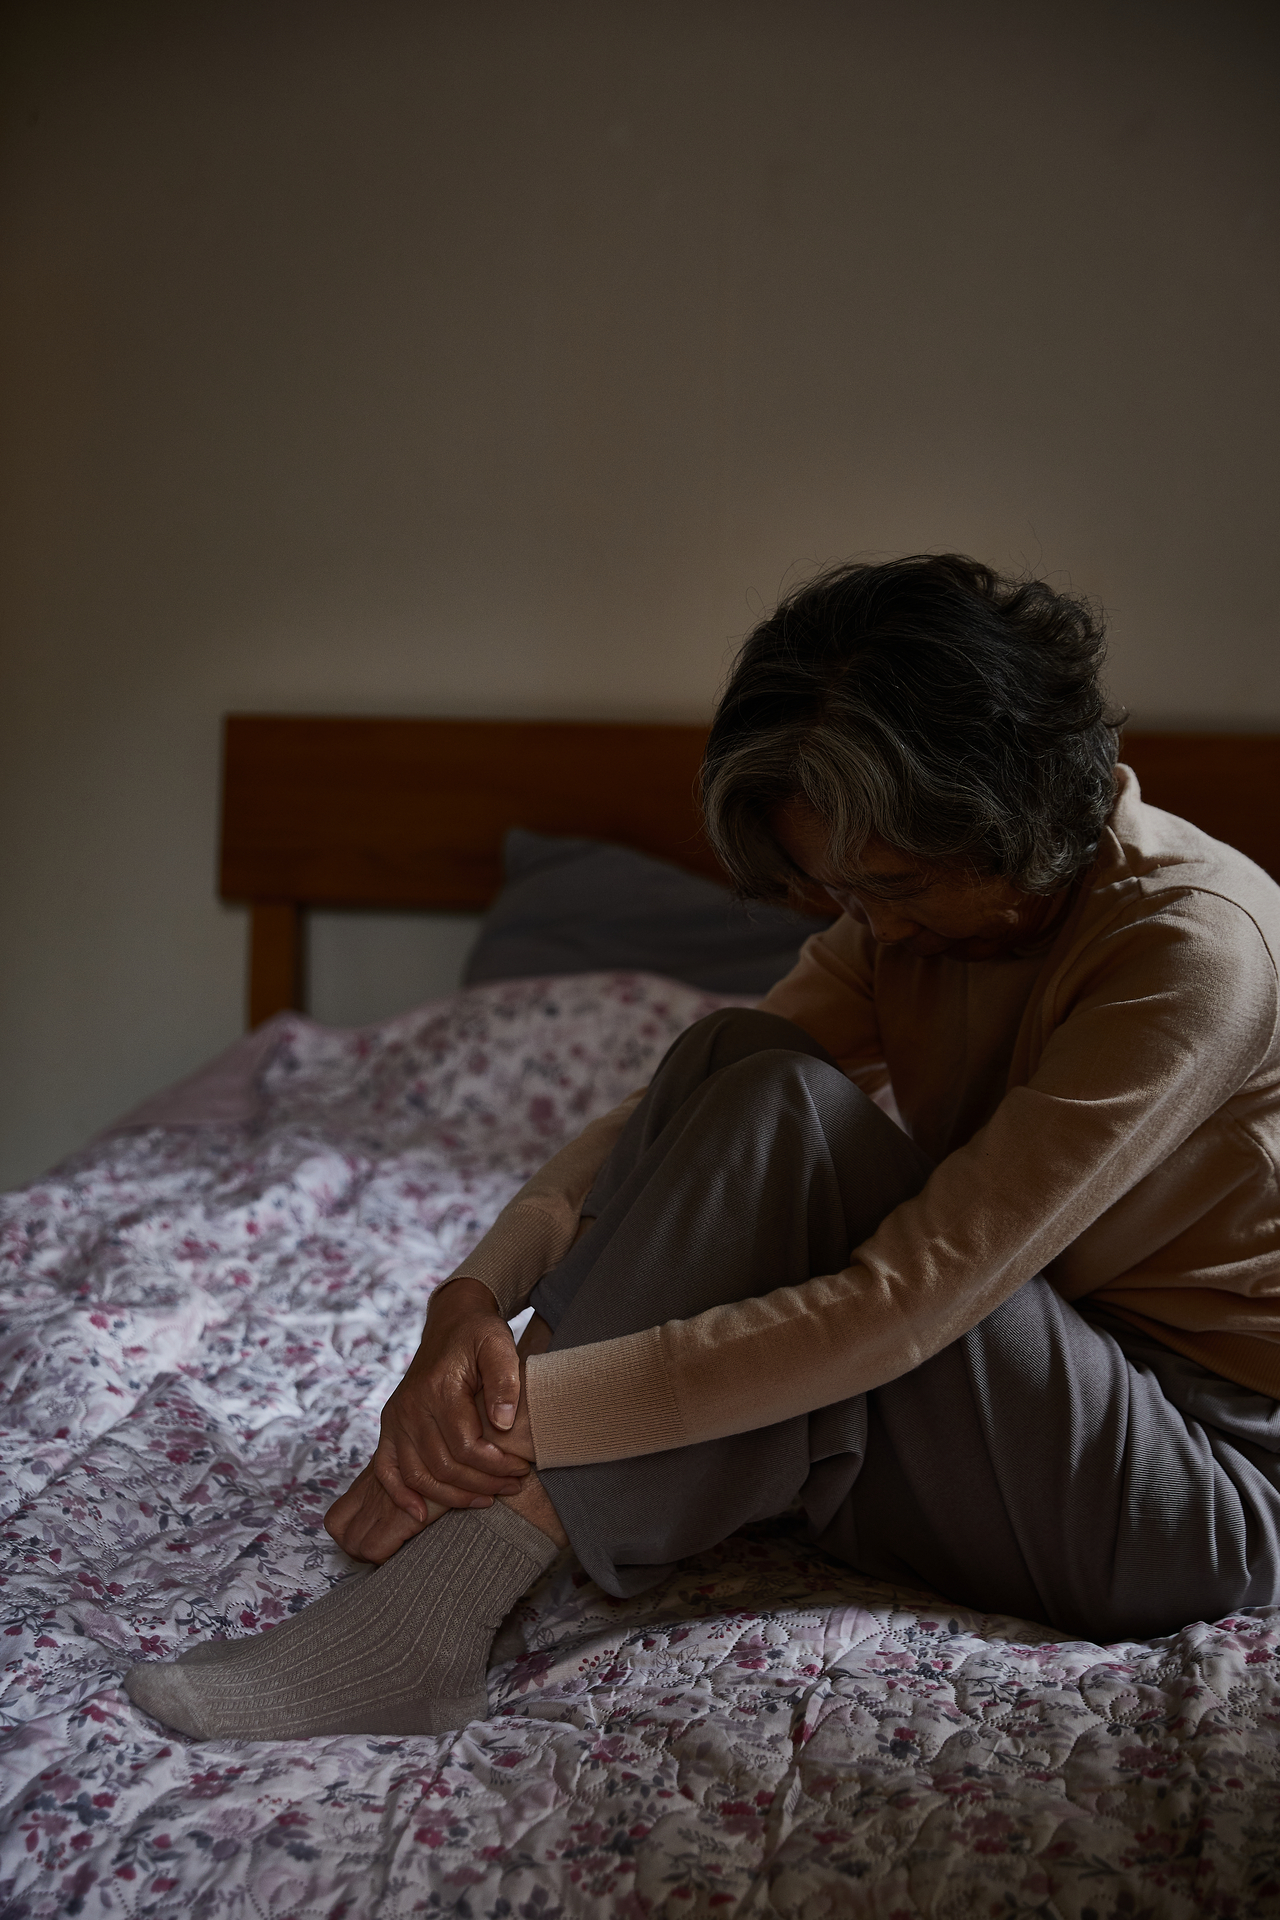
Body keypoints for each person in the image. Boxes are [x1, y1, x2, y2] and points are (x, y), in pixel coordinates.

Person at [126, 553, 1280, 1743]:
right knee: (736, 1057)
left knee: (785, 1123)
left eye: (895, 888)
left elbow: (905, 1298)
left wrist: (519, 1419)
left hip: (1190, 1492)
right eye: (843, 895)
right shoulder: (910, 916)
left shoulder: (1190, 953)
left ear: (1015, 813)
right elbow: (676, 1106)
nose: (872, 929)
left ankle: (442, 1594)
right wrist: (469, 1296)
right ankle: (469, 1559)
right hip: (1010, 1414)